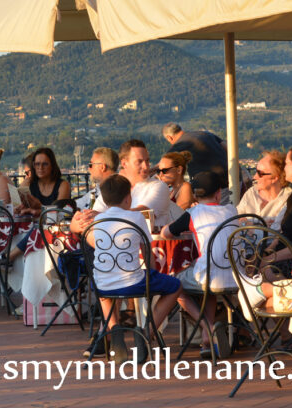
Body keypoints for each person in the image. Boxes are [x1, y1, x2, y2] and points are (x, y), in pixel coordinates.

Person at [86, 174, 182, 362]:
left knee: (104, 289)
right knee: (175, 286)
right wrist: (153, 274)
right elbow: (147, 251)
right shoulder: (136, 217)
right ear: (128, 197)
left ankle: (115, 330)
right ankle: (148, 331)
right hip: (133, 282)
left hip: (101, 284)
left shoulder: (98, 220)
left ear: (104, 200)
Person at [161, 171, 237, 334]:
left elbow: (165, 233)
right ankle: (206, 340)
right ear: (218, 194)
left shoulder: (193, 213)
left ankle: (207, 328)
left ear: (195, 196)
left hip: (210, 277)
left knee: (174, 283)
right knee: (207, 279)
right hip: (237, 279)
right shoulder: (232, 210)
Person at [236, 150, 292, 229]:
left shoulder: (288, 199)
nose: (254, 177)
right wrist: (257, 224)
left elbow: (276, 232)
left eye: (259, 173)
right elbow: (235, 219)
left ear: (274, 178)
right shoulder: (252, 192)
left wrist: (247, 224)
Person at [162, 122, 228, 187]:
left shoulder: (180, 143)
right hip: (232, 176)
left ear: (169, 137)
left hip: (211, 184)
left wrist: (154, 172)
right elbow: (226, 147)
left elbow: (164, 164)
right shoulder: (204, 133)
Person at [76, 147, 117, 211]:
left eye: (91, 165)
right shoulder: (97, 190)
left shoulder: (116, 190)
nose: (89, 169)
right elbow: (77, 204)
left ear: (102, 167)